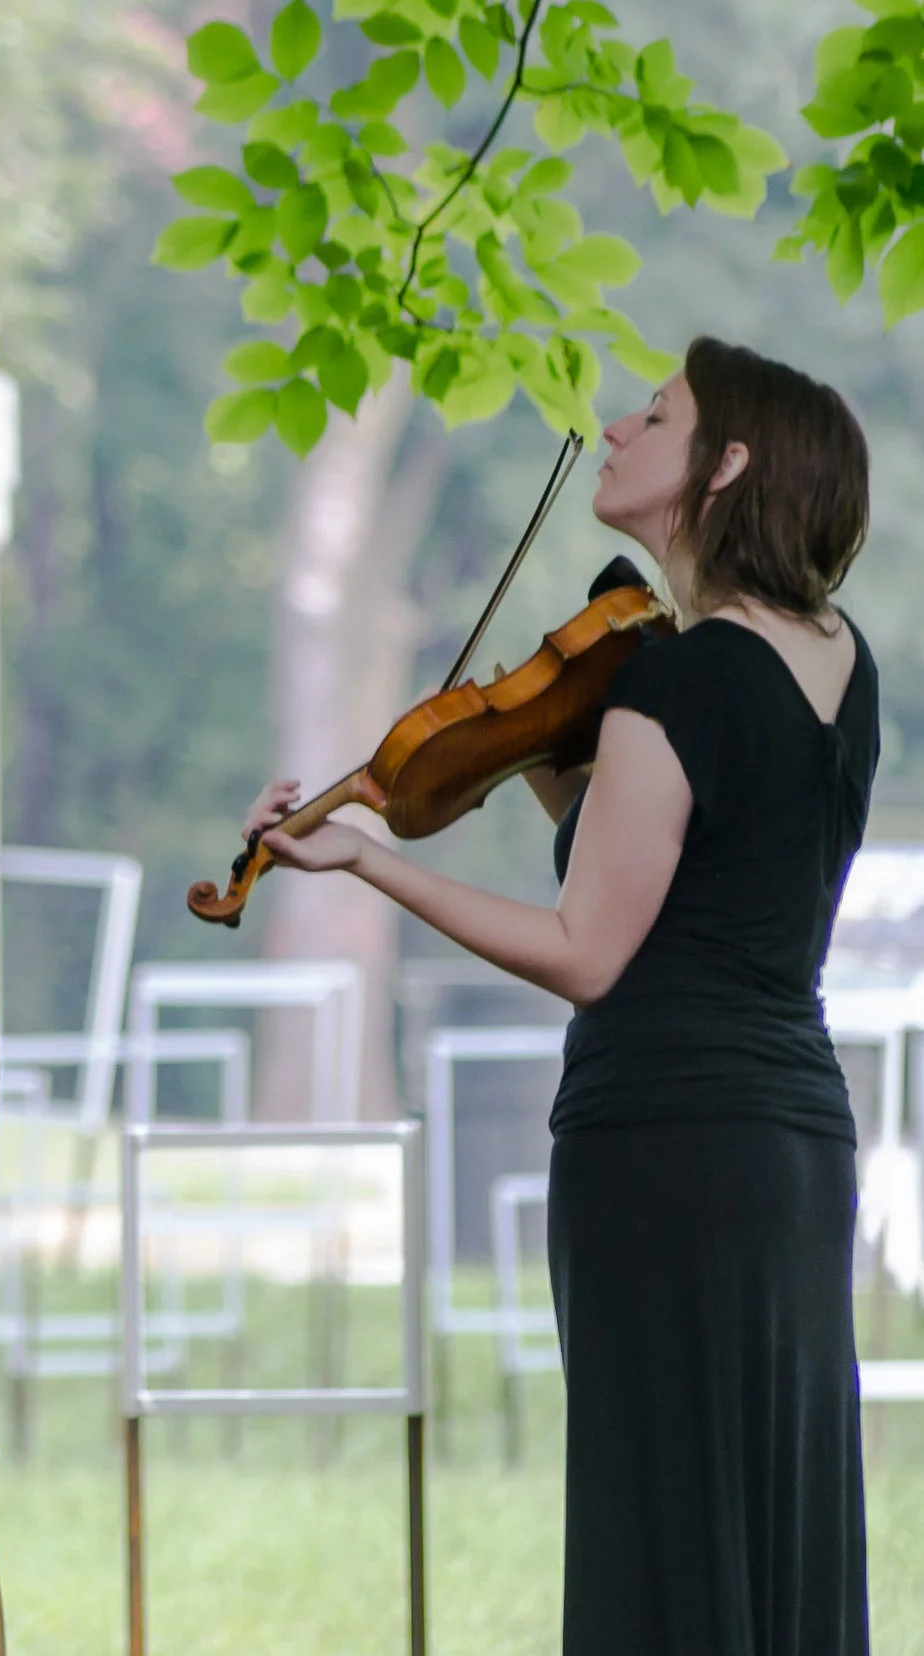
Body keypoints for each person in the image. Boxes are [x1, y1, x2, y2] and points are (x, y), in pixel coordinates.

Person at [245, 337, 874, 1655]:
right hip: (792, 1145)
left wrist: (365, 857)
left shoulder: (674, 677)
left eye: (656, 416)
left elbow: (590, 950)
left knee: (660, 1528)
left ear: (727, 465)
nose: (621, 429)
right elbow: (671, 864)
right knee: (773, 1517)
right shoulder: (836, 660)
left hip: (661, 1141)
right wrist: (534, 739)